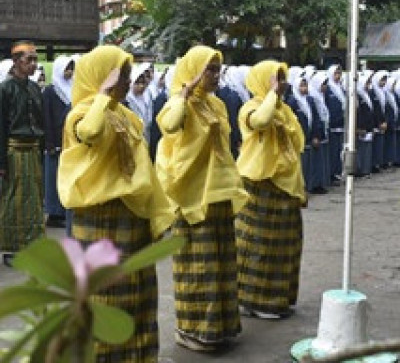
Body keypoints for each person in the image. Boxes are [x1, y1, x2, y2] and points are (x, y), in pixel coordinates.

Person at [57, 45, 175, 362]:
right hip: (98, 221)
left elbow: (144, 169)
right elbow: (90, 132)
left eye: (126, 75)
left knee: (137, 295)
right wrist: (103, 94)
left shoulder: (128, 116)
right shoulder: (80, 114)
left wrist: (155, 215)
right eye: (120, 75)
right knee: (105, 298)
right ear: (100, 77)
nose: (126, 81)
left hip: (131, 218)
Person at [156, 45, 248, 351]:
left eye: (217, 69)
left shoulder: (217, 105)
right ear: (193, 71)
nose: (215, 75)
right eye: (209, 69)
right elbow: (168, 125)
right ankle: (192, 330)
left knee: (221, 265)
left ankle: (221, 327)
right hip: (192, 195)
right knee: (197, 267)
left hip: (219, 194)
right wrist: (186, 92)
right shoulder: (178, 104)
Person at [235, 60, 305, 319]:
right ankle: (255, 300)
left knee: (284, 246)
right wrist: (273, 95)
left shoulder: (284, 110)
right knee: (257, 246)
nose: (281, 85)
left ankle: (277, 298)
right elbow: (261, 121)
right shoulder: (250, 108)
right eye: (275, 79)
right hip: (259, 185)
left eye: (283, 79)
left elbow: (298, 143)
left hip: (284, 188)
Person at [0, 41, 45, 267]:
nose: (34, 64)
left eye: (35, 60)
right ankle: (11, 249)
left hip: (33, 150)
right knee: (14, 200)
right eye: (30, 60)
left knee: (35, 199)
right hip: (14, 151)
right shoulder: (5, 88)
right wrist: (1, 162)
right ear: (17, 62)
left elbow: (41, 122)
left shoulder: (35, 88)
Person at [43, 55, 75, 228]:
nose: (70, 72)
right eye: (67, 68)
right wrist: (49, 142)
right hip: (54, 141)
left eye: (71, 68)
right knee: (53, 177)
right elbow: (46, 117)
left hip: (67, 140)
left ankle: (62, 211)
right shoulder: (50, 91)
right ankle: (54, 213)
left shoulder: (72, 88)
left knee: (64, 177)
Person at [325, 65, 346, 184]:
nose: (338, 76)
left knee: (338, 151)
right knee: (332, 152)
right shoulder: (328, 89)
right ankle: (331, 174)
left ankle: (336, 172)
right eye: (336, 74)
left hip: (340, 126)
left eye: (339, 73)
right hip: (332, 126)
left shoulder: (341, 88)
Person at [125, 63, 153, 144]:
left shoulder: (147, 97)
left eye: (143, 83)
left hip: (146, 136)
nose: (141, 86)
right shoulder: (127, 100)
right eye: (137, 83)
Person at [356, 73, 374, 177]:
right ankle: (361, 170)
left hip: (368, 127)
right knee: (361, 150)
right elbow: (359, 113)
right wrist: (359, 127)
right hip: (361, 128)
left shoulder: (366, 96)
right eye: (367, 83)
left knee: (366, 150)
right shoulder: (359, 95)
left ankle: (365, 169)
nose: (368, 85)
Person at [370, 71, 388, 173]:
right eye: (382, 80)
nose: (384, 83)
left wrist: (384, 121)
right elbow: (375, 110)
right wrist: (379, 123)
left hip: (382, 122)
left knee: (379, 146)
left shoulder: (382, 92)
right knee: (375, 146)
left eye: (385, 80)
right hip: (376, 123)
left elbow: (383, 109)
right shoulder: (373, 93)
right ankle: (373, 165)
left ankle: (378, 164)